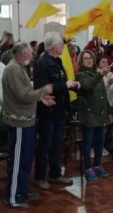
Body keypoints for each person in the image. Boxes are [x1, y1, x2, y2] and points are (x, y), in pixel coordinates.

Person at [2, 42, 54, 209]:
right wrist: (43, 90)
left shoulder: (19, 68)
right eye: (31, 53)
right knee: (17, 160)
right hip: (19, 122)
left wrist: (40, 97)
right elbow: (23, 95)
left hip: (27, 120)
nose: (32, 55)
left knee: (26, 158)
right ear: (23, 53)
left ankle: (22, 188)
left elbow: (26, 92)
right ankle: (11, 196)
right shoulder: (13, 69)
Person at [33, 32, 81, 190]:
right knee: (45, 144)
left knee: (57, 144)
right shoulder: (42, 64)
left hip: (59, 109)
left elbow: (60, 81)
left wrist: (69, 83)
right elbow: (43, 89)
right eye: (61, 43)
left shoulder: (58, 61)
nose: (63, 46)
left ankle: (55, 174)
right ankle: (40, 177)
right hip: (47, 111)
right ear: (53, 46)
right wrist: (64, 85)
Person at [76, 50, 112, 181]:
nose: (89, 60)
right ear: (81, 61)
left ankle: (97, 165)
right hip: (89, 114)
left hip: (101, 113)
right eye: (86, 59)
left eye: (90, 58)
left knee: (100, 142)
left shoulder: (97, 73)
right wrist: (100, 74)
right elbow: (88, 86)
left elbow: (103, 95)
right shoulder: (80, 75)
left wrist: (109, 111)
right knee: (88, 142)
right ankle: (88, 167)